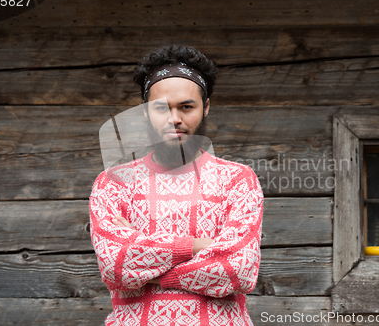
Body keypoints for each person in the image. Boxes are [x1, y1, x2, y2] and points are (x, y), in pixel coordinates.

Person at [89, 45, 264, 326]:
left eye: (186, 106)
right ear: (145, 111)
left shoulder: (237, 180)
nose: (174, 119)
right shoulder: (114, 183)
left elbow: (238, 270)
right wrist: (195, 246)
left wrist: (151, 272)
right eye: (161, 108)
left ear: (206, 107)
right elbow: (115, 266)